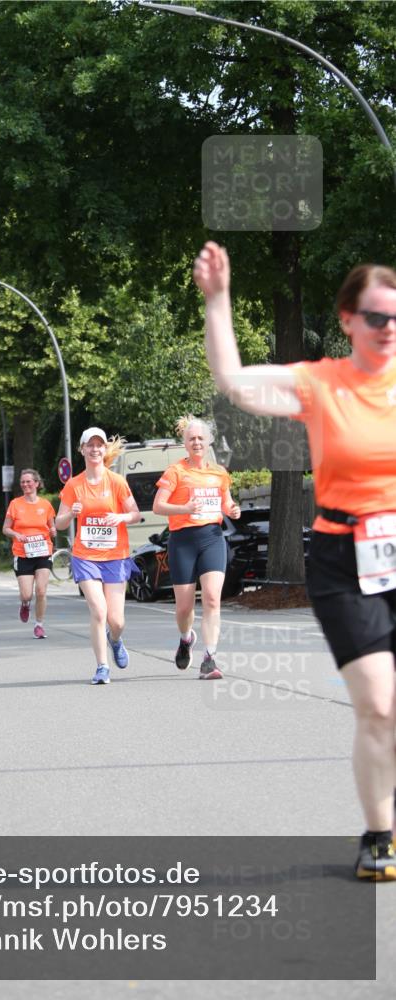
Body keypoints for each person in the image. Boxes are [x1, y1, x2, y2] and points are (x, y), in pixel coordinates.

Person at [193, 240, 396, 881]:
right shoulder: (321, 383)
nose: (388, 329)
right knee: (379, 706)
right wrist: (218, 300)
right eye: (376, 317)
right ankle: (380, 832)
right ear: (347, 320)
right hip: (347, 558)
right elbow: (233, 383)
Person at [152, 415, 241, 680]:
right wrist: (185, 508)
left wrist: (233, 510)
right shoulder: (176, 472)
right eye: (192, 438)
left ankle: (210, 659)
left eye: (201, 438)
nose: (197, 442)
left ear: (209, 441)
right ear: (185, 443)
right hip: (183, 541)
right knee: (184, 608)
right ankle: (185, 638)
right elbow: (158, 506)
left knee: (213, 598)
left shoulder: (219, 473)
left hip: (213, 537)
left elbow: (226, 503)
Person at [56, 427, 141, 684]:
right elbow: (58, 523)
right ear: (81, 449)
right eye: (89, 445)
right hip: (85, 556)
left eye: (99, 445)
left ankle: (115, 640)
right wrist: (71, 514)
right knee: (98, 611)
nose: (95, 449)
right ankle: (102, 667)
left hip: (115, 556)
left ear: (104, 450)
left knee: (117, 621)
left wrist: (122, 517)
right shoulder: (74, 485)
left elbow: (135, 514)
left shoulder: (116, 482)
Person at [3, 469, 57, 639]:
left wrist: (53, 530)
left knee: (41, 591)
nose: (25, 485)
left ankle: (39, 625)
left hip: (42, 551)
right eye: (23, 482)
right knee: (27, 594)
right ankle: (25, 603)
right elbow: (6, 528)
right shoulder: (15, 504)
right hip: (22, 552)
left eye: (28, 481)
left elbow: (52, 526)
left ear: (37, 483)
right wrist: (16, 535)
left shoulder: (46, 505)